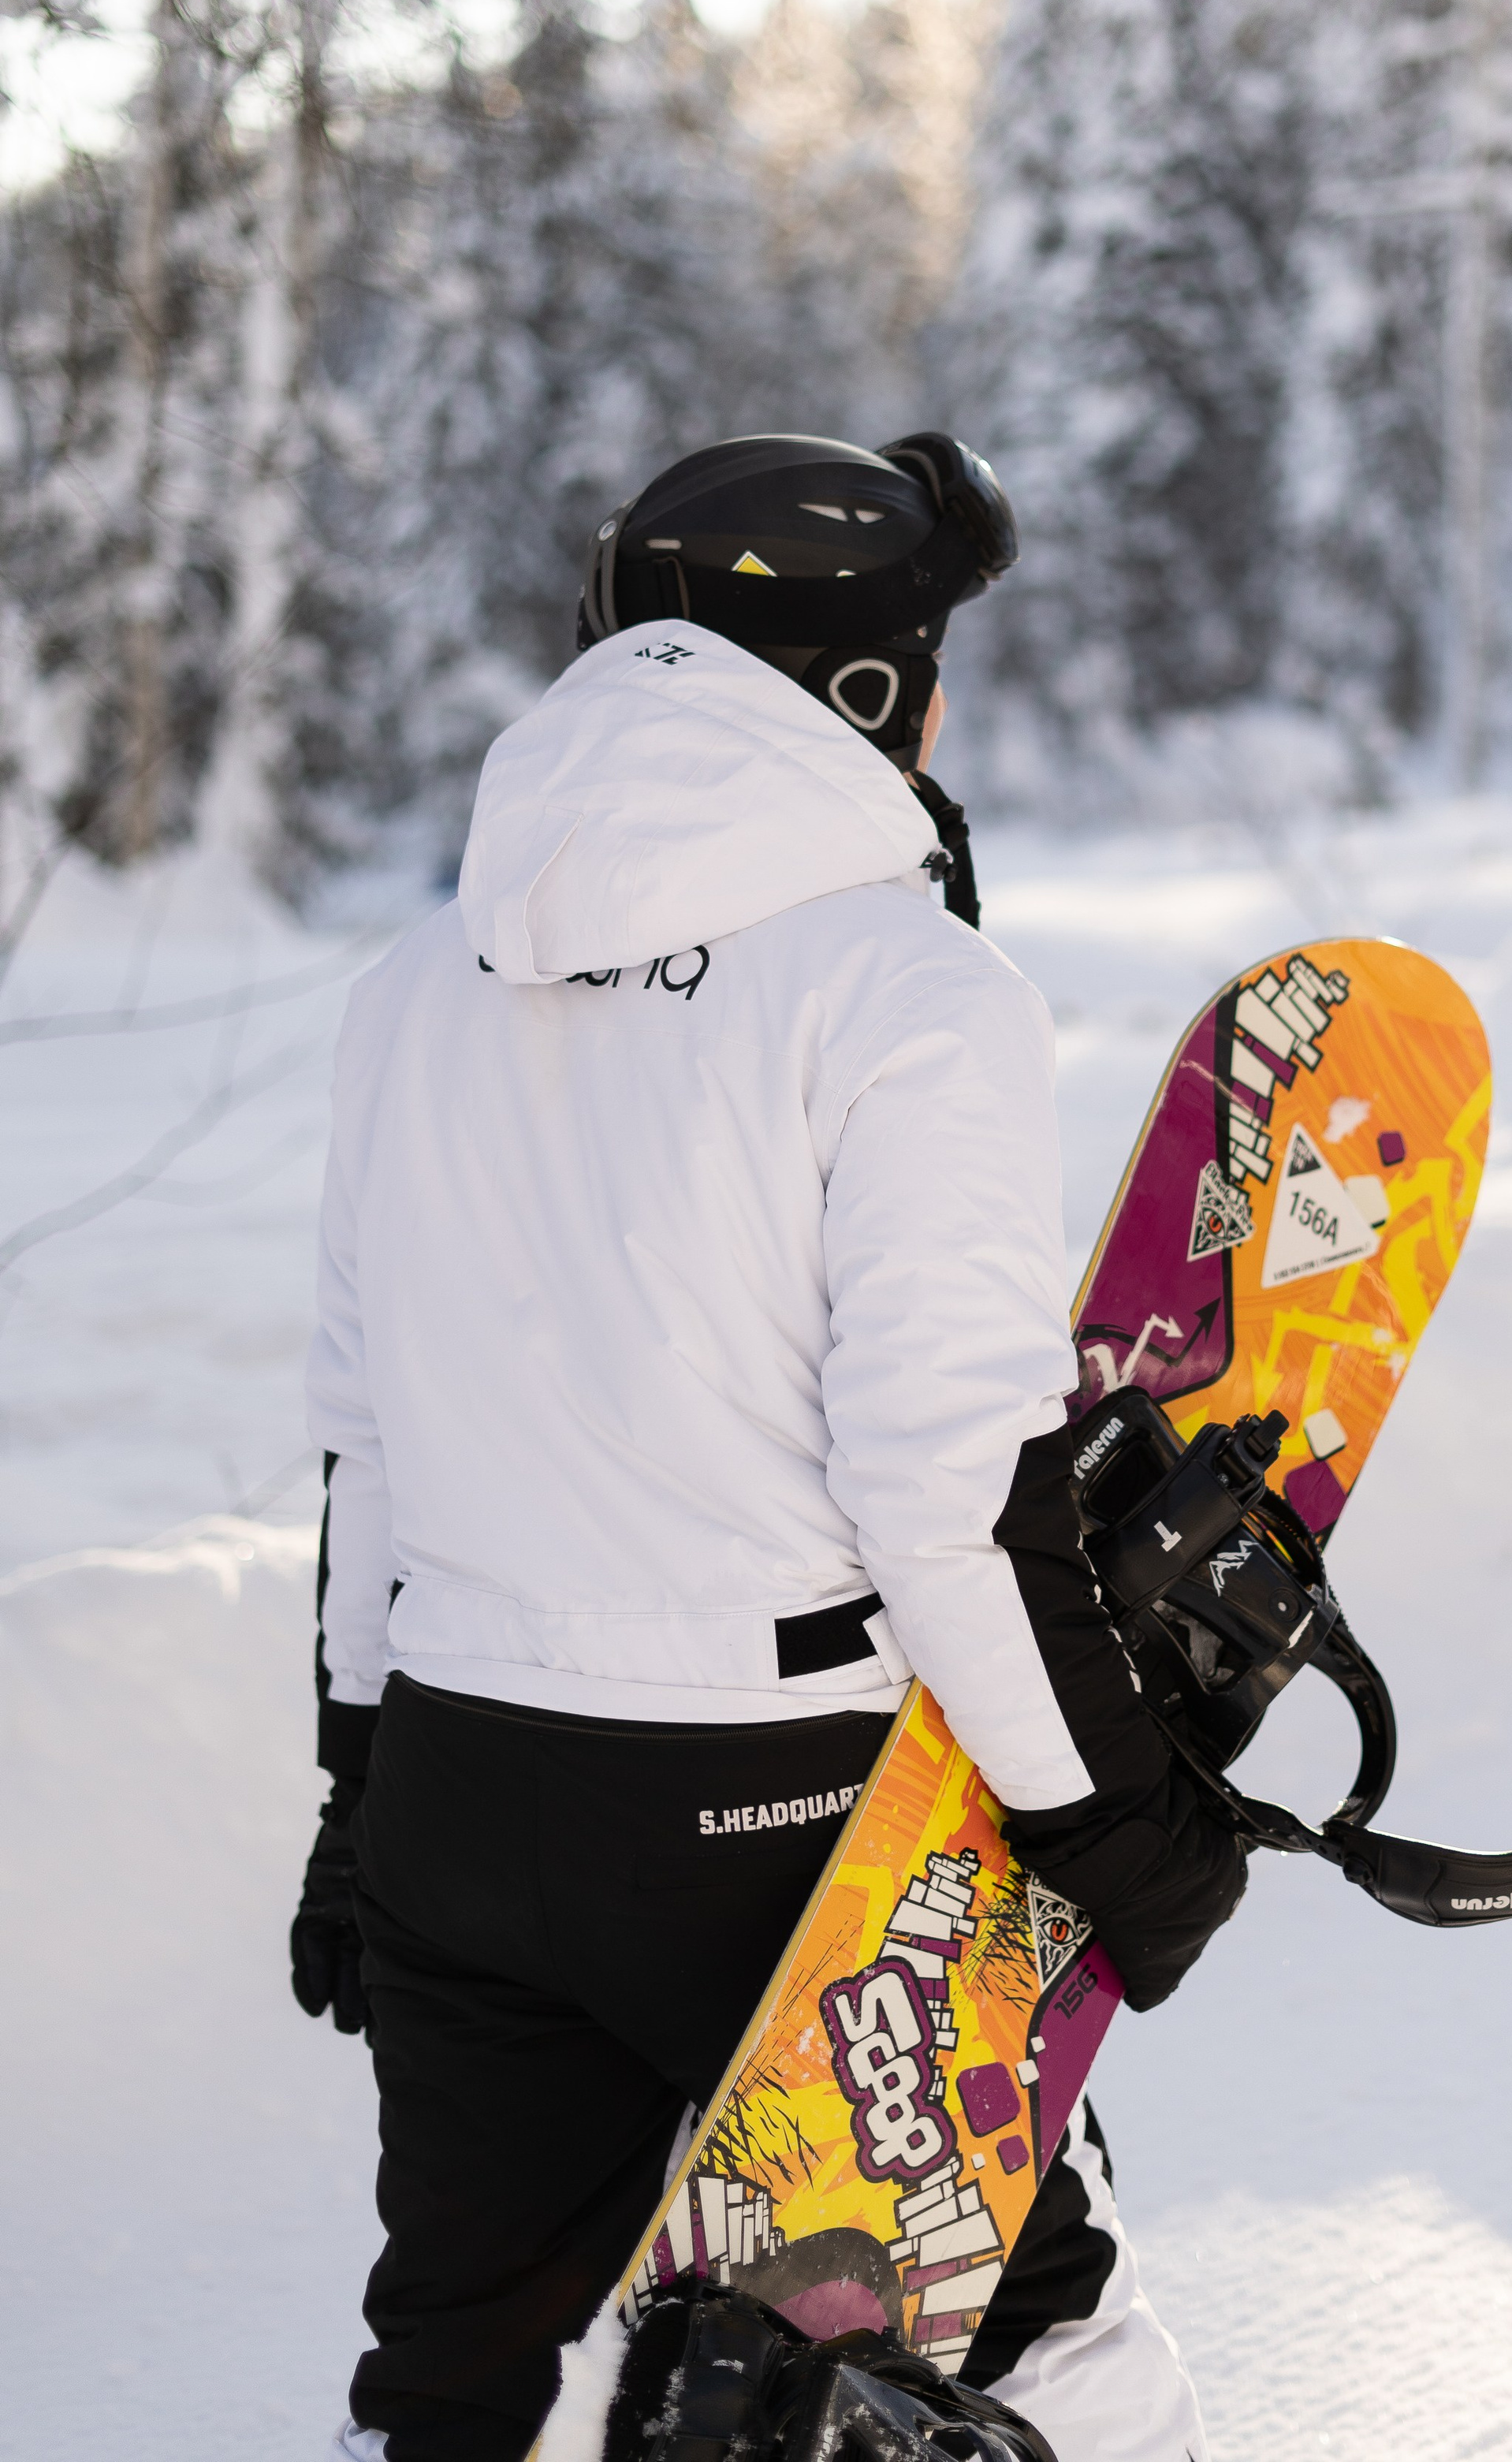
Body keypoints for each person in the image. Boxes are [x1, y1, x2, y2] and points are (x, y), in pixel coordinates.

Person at [292, 430, 1246, 2462]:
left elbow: (364, 1447)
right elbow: (945, 1487)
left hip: (460, 1790)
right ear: (865, 687)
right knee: (1001, 2340)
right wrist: (1111, 1822)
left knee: (463, 2380)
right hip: (769, 1815)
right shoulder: (911, 991)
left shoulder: (408, 987)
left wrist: (357, 1790)